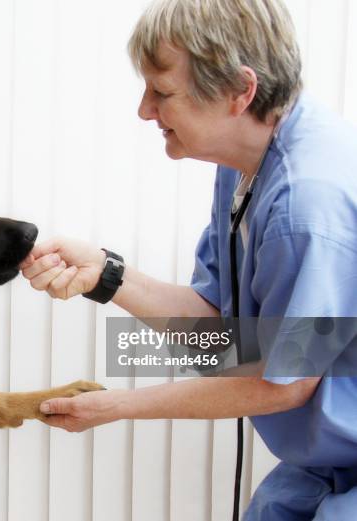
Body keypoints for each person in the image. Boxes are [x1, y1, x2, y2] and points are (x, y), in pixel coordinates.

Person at [19, 0, 357, 519]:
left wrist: (117, 406)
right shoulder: (246, 164)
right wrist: (106, 275)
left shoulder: (305, 206)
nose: (144, 110)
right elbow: (222, 336)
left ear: (239, 92)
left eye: (162, 92)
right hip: (325, 461)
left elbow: (281, 383)